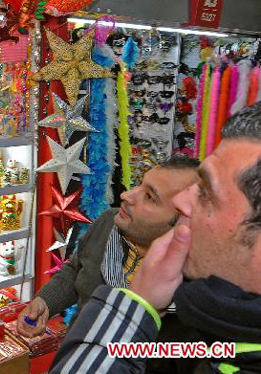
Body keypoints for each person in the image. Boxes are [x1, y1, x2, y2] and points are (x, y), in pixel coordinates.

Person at [51, 103, 261, 373]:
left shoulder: (192, 329)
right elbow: (75, 269)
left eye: (206, 193)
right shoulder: (107, 226)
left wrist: (134, 309)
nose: (183, 202)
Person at [19, 156, 200, 336]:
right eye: (139, 184)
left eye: (149, 197)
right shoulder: (108, 223)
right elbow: (77, 269)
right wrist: (46, 301)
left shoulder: (190, 292)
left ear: (183, 222)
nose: (126, 195)